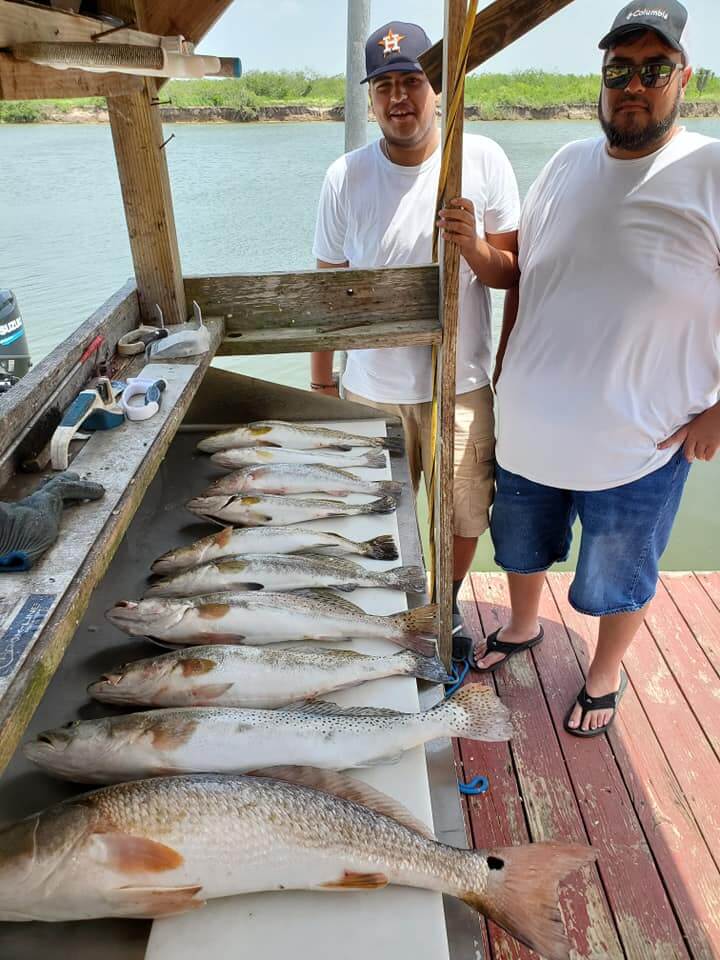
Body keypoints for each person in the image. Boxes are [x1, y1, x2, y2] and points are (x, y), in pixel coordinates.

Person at [475, 0, 720, 737]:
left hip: (641, 442)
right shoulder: (563, 162)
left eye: (653, 68)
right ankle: (522, 625)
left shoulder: (710, 168)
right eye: (619, 68)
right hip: (530, 428)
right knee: (518, 548)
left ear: (685, 77)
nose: (634, 84)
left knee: (619, 577)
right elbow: (525, 274)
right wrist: (502, 368)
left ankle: (605, 672)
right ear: (602, 78)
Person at [311, 21, 520, 654]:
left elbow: (511, 273)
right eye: (386, 86)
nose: (400, 98)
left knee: (463, 511)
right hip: (371, 388)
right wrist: (322, 385)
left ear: (439, 89)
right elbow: (324, 294)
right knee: (369, 515)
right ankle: (385, 608)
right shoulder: (344, 177)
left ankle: (445, 604)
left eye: (413, 82)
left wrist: (474, 245)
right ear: (371, 100)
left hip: (461, 383)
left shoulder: (481, 158)